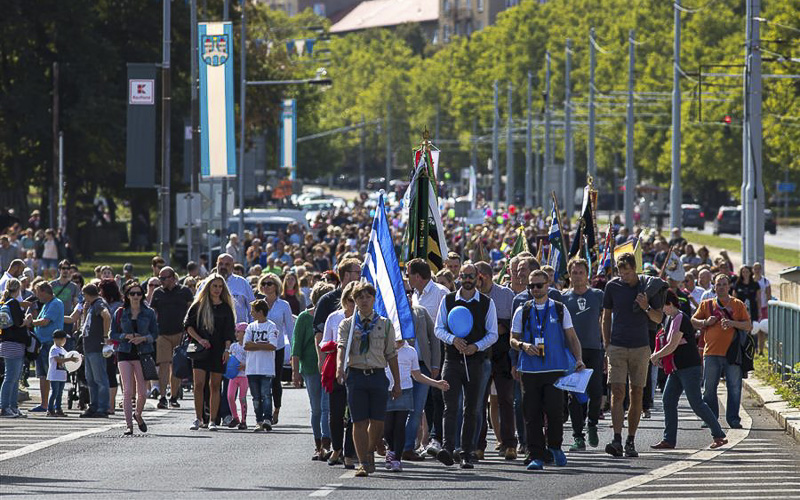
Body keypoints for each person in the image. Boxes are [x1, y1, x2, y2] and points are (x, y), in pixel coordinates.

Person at [511, 269, 584, 470]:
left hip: (555, 368)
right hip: (530, 371)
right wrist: (523, 346)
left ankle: (555, 447)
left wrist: (579, 359)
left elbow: (571, 337)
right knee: (531, 414)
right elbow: (512, 338)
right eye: (531, 286)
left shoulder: (559, 309)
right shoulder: (522, 310)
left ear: (547, 285)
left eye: (539, 285)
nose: (535, 289)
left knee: (555, 412)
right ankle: (536, 454)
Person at [434, 263, 498, 470]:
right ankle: (447, 448)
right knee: (450, 406)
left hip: (476, 361)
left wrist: (476, 346)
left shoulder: (487, 303)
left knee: (472, 408)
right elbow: (438, 328)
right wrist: (453, 339)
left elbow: (493, 334)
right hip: (452, 360)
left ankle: (466, 453)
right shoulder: (448, 300)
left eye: (471, 276)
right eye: (464, 276)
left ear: (478, 277)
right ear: (459, 277)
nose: (468, 279)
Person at [602, 252, 666, 458]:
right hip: (617, 346)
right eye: (621, 273)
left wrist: (645, 306)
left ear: (635, 269)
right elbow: (606, 316)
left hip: (640, 347)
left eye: (628, 273)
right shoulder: (612, 286)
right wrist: (606, 344)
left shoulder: (647, 287)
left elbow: (658, 319)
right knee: (617, 392)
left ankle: (631, 439)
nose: (624, 277)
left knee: (636, 393)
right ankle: (617, 438)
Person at [336, 282, 402, 478]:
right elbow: (341, 347)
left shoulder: (384, 324)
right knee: (359, 421)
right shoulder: (347, 324)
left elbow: (391, 354)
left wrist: (397, 382)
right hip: (356, 375)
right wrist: (340, 367)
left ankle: (370, 449)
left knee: (378, 421)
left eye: (368, 297)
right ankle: (363, 461)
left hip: (377, 375)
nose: (364, 301)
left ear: (374, 299)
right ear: (354, 301)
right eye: (360, 297)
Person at [650, 290, 728, 450]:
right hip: (677, 368)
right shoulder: (669, 318)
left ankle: (718, 434)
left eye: (663, 306)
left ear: (670, 304)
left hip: (689, 368)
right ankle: (669, 440)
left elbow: (672, 344)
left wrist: (656, 355)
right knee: (668, 401)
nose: (662, 310)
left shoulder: (680, 318)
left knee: (696, 403)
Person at [691, 273, 752, 429]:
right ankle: (710, 418)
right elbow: (693, 321)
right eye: (718, 284)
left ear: (729, 286)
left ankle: (733, 419)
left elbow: (747, 325)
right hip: (711, 352)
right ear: (714, 287)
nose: (722, 287)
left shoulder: (738, 304)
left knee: (734, 387)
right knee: (709, 388)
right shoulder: (706, 305)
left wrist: (732, 323)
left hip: (732, 354)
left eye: (724, 284)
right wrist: (706, 321)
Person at [384, 337, 450, 472]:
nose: (398, 341)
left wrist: (436, 383)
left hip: (405, 391)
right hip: (386, 391)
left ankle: (396, 458)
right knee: (388, 426)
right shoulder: (383, 349)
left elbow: (417, 375)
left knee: (399, 426)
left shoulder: (410, 351)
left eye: (401, 338)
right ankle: (391, 450)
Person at [406, 258, 448, 459]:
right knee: (419, 404)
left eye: (408, 274)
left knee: (436, 399)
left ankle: (436, 438)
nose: (407, 279)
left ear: (417, 276)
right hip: (413, 359)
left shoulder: (440, 292)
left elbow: (443, 327)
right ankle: (422, 440)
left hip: (437, 354)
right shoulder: (414, 295)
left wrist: (435, 362)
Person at [474, 260, 517, 460]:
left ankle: (509, 444)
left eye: (477, 276)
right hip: (479, 354)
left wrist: (495, 328)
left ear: (486, 276)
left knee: (506, 400)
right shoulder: (471, 295)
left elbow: (511, 324)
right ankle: (478, 444)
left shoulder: (506, 295)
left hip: (501, 354)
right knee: (478, 402)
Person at [562, 258, 604, 451]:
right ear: (569, 275)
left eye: (581, 272)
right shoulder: (563, 298)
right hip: (572, 352)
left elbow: (606, 321)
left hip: (594, 348)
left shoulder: (597, 295)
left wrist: (607, 348)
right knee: (575, 395)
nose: (577, 276)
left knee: (596, 392)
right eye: (574, 272)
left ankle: (593, 423)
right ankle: (578, 436)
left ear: (587, 274)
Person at [185, 273, 236, 431]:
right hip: (200, 349)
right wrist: (200, 339)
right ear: (208, 287)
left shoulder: (226, 307)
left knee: (215, 385)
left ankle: (213, 420)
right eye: (214, 286)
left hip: (219, 349)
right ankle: (198, 418)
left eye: (220, 286)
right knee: (198, 384)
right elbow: (188, 325)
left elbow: (229, 332)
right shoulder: (199, 305)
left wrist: (227, 349)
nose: (217, 289)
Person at [292, 282, 334, 459]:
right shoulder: (304, 318)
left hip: (330, 367)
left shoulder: (334, 318)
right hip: (310, 368)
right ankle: (318, 445)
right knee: (316, 409)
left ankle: (328, 444)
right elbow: (296, 347)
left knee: (327, 408)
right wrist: (295, 372)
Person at [111, 281, 158, 435]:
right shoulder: (120, 312)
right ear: (127, 296)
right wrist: (126, 336)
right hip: (124, 352)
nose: (136, 296)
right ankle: (129, 425)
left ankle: (138, 414)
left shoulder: (149, 312)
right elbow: (112, 335)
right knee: (127, 391)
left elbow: (155, 334)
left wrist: (143, 338)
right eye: (132, 294)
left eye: (139, 293)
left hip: (142, 353)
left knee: (143, 392)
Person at [149, 266, 194, 409]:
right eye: (160, 278)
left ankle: (174, 396)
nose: (161, 280)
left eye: (164, 278)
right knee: (163, 365)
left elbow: (191, 310)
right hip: (162, 334)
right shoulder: (157, 293)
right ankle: (162, 397)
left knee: (176, 366)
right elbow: (153, 313)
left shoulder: (185, 292)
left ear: (173, 278)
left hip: (180, 333)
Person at [257, 273, 294, 425]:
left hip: (277, 347)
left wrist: (294, 352)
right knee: (261, 380)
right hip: (260, 347)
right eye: (264, 283)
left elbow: (290, 329)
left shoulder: (284, 305)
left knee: (275, 381)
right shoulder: (258, 304)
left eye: (269, 283)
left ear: (276, 286)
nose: (266, 286)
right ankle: (264, 412)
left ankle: (276, 409)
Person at [28, 282, 64, 412]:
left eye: (38, 292)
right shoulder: (46, 305)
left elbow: (45, 321)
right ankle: (44, 404)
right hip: (42, 343)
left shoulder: (55, 303)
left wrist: (29, 322)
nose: (37, 295)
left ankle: (54, 404)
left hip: (50, 344)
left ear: (44, 291)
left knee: (52, 374)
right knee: (43, 375)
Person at [244, 299, 279, 432]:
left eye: (253, 311)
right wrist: (260, 346)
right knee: (256, 397)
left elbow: (272, 346)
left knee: (266, 394)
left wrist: (255, 345)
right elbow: (246, 345)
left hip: (266, 368)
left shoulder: (271, 326)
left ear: (260, 312)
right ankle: (258, 420)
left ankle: (267, 419)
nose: (251, 313)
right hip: (252, 368)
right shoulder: (250, 327)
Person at [79, 284, 112, 418]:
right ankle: (94, 405)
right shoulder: (92, 305)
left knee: (100, 379)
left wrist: (105, 336)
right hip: (89, 347)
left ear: (87, 294)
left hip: (96, 347)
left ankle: (102, 407)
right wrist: (86, 311)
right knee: (91, 379)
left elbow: (107, 316)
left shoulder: (99, 304)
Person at [0, 278, 32, 417]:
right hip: (13, 344)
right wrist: (28, 320)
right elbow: (19, 323)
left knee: (13, 377)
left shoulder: (7, 302)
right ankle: (5, 407)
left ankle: (12, 406)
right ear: (18, 289)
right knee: (11, 378)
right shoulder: (13, 303)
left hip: (8, 344)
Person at [47, 330, 76, 417]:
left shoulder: (62, 349)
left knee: (60, 393)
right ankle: (50, 409)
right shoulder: (54, 349)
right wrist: (70, 359)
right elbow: (58, 359)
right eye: (63, 339)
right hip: (55, 375)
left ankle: (58, 408)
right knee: (55, 392)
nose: (65, 341)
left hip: (62, 375)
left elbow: (69, 356)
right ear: (57, 339)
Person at [227, 322, 249, 429]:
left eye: (238, 332)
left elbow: (252, 360)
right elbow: (230, 358)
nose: (236, 334)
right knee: (230, 396)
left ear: (245, 333)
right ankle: (235, 417)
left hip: (244, 376)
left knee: (242, 397)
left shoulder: (248, 347)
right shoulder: (233, 346)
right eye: (236, 332)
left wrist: (244, 366)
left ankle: (243, 421)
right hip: (234, 376)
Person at [752, 262, 771, 354]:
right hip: (753, 308)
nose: (757, 270)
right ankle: (754, 348)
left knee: (762, 329)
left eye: (759, 268)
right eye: (755, 269)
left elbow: (768, 295)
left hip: (763, 307)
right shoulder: (750, 281)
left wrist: (768, 307)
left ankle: (761, 350)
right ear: (753, 270)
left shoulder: (765, 281)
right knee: (753, 328)